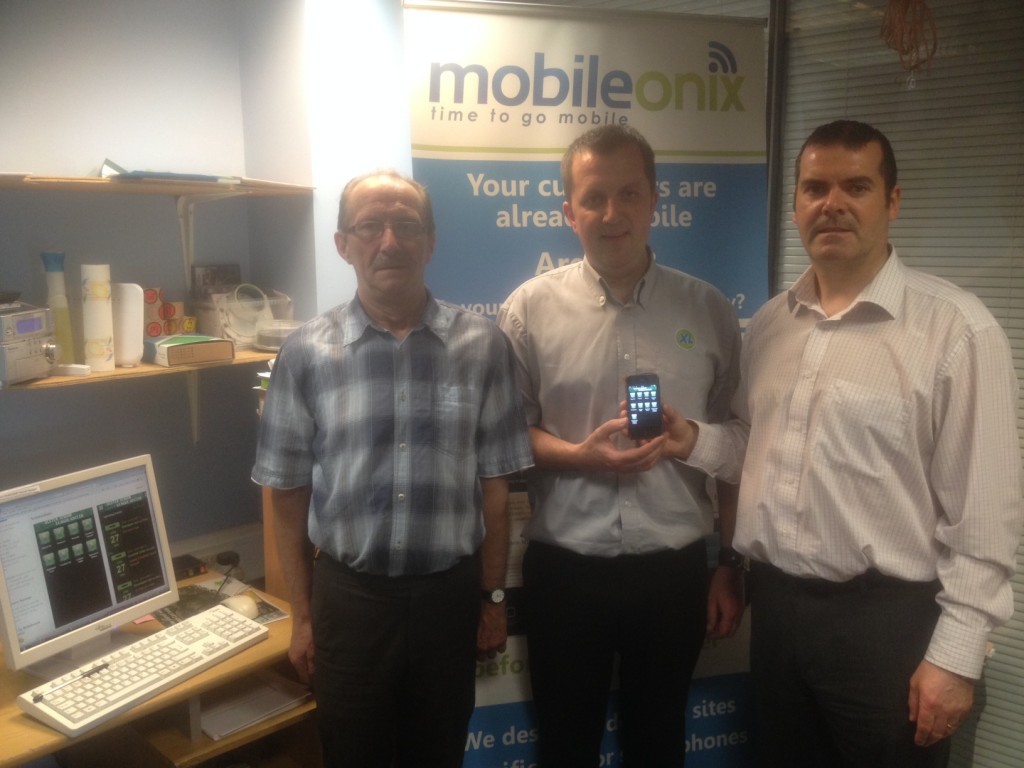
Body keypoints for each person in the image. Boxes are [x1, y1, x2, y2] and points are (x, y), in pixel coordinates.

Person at [673, 120, 1022, 767]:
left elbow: (985, 520)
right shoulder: (773, 324)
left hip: (889, 627)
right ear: (798, 205)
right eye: (815, 188)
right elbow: (758, 449)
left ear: (892, 202)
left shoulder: (958, 331)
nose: (831, 203)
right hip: (776, 614)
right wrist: (688, 438)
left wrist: (956, 657)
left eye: (856, 186)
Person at [252, 170, 533, 768]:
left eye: (407, 227)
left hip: (448, 600)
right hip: (349, 604)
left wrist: (493, 600)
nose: (390, 241)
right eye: (370, 226)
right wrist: (302, 618)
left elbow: (496, 491)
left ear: (430, 242)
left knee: (439, 755)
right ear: (343, 244)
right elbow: (287, 494)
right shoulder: (304, 352)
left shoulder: (483, 346)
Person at [496, 125, 745, 767]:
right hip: (565, 570)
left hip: (674, 570)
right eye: (594, 197)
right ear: (568, 211)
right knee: (566, 745)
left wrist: (730, 563)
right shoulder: (528, 310)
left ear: (655, 200)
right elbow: (504, 439)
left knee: (659, 742)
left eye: (629, 193)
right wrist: (581, 456)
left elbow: (738, 447)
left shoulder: (710, 311)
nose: (613, 213)